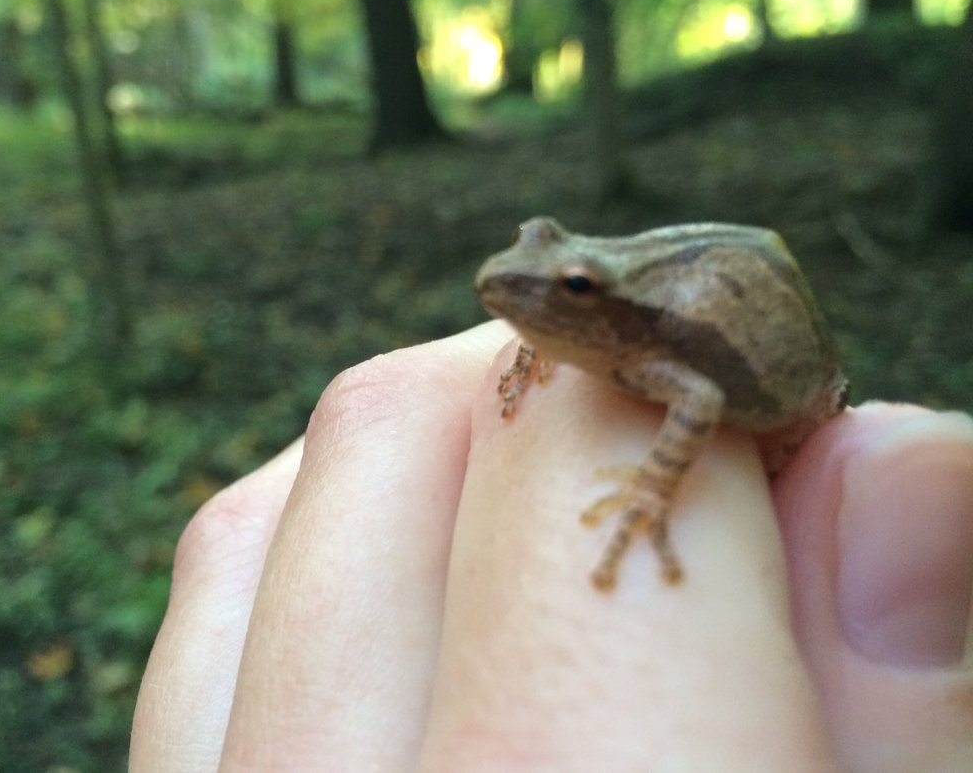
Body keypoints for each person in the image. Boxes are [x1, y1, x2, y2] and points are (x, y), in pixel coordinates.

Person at [130, 322, 973, 772]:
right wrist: (542, 342)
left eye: (566, 294)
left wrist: (653, 487)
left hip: (773, 377)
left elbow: (695, 396)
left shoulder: (656, 353)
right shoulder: (593, 334)